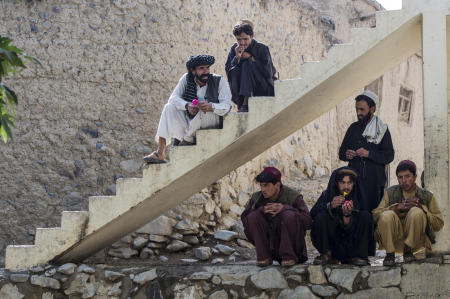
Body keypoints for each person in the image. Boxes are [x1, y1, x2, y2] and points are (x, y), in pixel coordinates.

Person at [143, 54, 232, 163]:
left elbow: (227, 105)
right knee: (169, 107)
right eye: (201, 68)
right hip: (190, 124)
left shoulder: (219, 81)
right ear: (193, 71)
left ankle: (186, 142)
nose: (206, 72)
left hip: (209, 121)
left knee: (204, 111)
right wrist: (187, 106)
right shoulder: (186, 79)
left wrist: (211, 106)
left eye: (207, 68)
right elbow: (173, 98)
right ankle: (160, 152)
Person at [373, 160, 444, 266]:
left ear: (415, 177)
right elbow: (375, 215)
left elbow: (438, 224)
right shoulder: (390, 192)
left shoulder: (426, 196)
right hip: (394, 241)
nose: (404, 181)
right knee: (386, 215)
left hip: (416, 244)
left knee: (416, 211)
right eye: (400, 177)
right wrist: (396, 207)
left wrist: (422, 208)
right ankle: (390, 254)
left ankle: (408, 249)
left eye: (407, 176)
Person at [241, 167, 312, 267]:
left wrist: (285, 208)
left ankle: (288, 257)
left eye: (266, 185)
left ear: (277, 185)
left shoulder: (293, 196)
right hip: (269, 245)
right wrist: (262, 210)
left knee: (289, 215)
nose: (263, 189)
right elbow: (245, 220)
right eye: (261, 185)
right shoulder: (257, 198)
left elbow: (308, 221)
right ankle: (264, 257)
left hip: (292, 248)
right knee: (253, 216)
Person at [338, 90, 394, 212]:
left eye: (362, 110)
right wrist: (347, 154)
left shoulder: (382, 130)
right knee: (352, 213)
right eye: (357, 109)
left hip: (374, 183)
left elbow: (389, 156)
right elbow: (341, 153)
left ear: (372, 109)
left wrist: (369, 154)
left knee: (371, 216)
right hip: (353, 181)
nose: (358, 113)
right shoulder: (353, 128)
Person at [310, 167, 373, 265]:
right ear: (336, 183)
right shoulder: (328, 195)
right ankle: (327, 254)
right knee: (321, 216)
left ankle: (358, 256)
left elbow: (366, 223)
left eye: (349, 183)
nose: (346, 187)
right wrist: (330, 205)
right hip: (334, 244)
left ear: (354, 183)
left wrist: (348, 215)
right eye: (342, 183)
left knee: (366, 216)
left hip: (352, 245)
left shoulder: (359, 196)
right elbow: (312, 214)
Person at [225, 21, 277, 112]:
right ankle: (243, 101)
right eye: (239, 40)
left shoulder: (262, 48)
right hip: (239, 90)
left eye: (245, 39)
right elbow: (229, 72)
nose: (242, 43)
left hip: (263, 88)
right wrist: (237, 58)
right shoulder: (234, 49)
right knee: (235, 69)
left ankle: (245, 103)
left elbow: (268, 73)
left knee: (246, 64)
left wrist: (250, 58)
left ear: (252, 36)